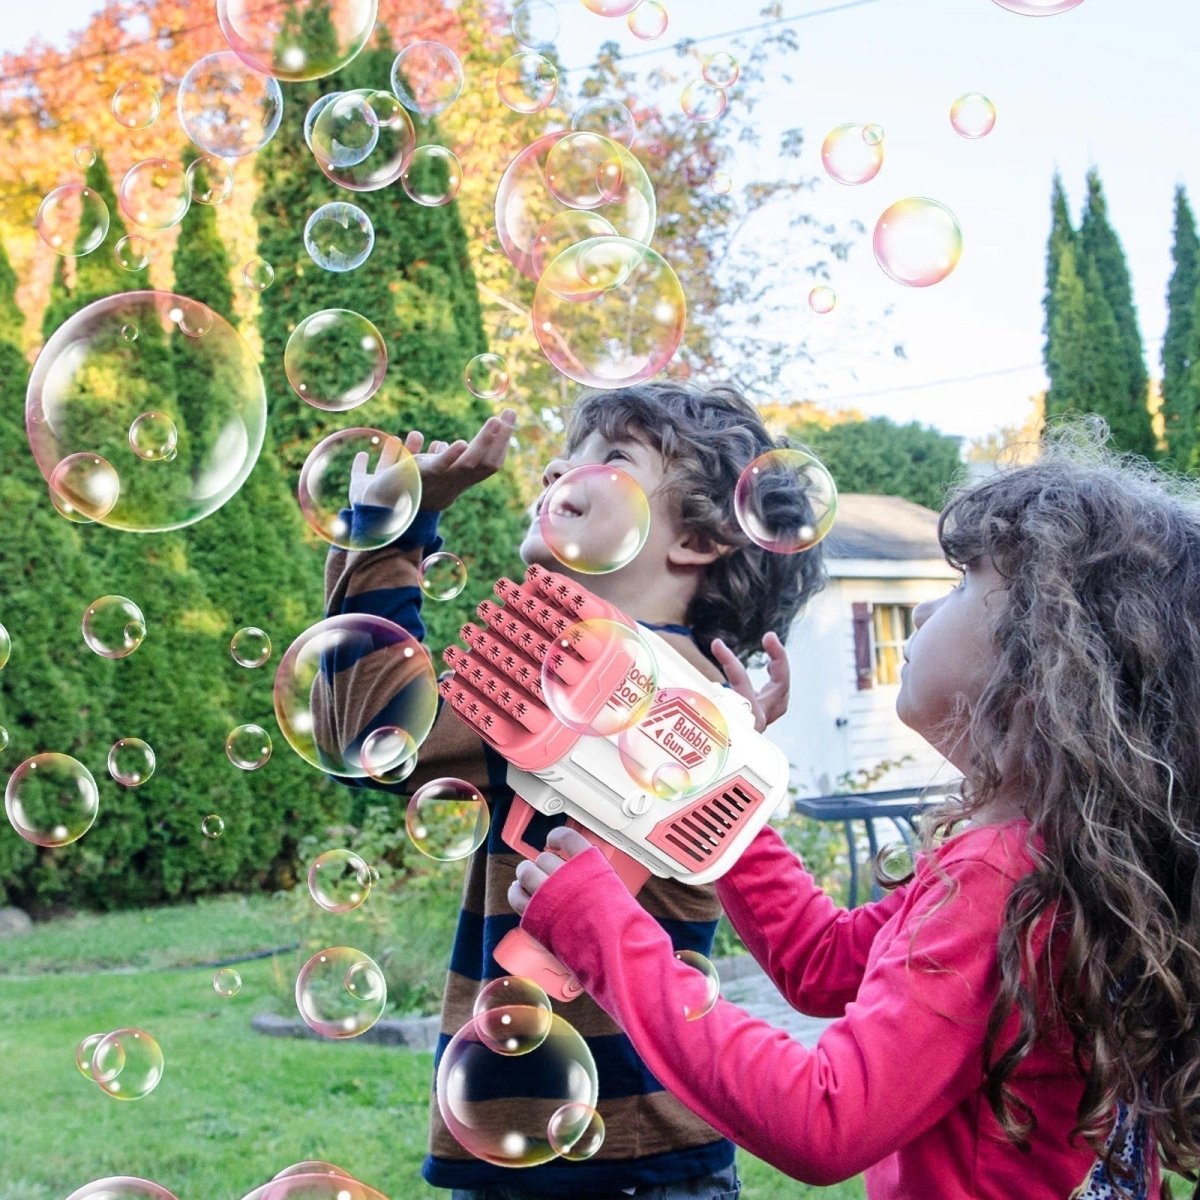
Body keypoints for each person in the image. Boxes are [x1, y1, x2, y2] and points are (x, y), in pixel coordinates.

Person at [511, 418, 1200, 1200]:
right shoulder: (1051, 859)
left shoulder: (999, 876)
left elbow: (824, 1118)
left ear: (1046, 655)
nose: (929, 613)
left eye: (963, 582)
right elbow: (824, 963)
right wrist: (715, 783)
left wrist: (604, 933)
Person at [321, 381, 826, 1199]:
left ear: (698, 536)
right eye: (569, 455)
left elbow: (373, 727)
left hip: (588, 1159)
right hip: (632, 1144)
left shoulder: (588, 687)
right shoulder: (689, 702)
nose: (560, 468)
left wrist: (395, 526)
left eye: (611, 458)